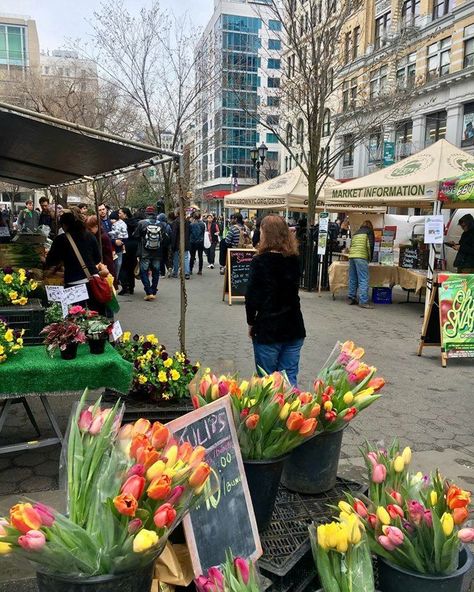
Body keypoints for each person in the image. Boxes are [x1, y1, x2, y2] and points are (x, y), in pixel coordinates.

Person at [245, 215, 306, 386]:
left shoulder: (259, 261)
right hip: (294, 326)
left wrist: (251, 322)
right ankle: (292, 412)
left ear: (265, 234)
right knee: (289, 377)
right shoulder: (294, 259)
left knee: (268, 381)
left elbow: (251, 296)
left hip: (268, 328)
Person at [45, 212, 105, 313]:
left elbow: (51, 261)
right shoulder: (90, 235)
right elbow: (97, 259)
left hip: (74, 284)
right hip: (93, 281)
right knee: (94, 316)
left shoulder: (61, 239)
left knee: (76, 317)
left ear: (64, 225)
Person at [134, 205, 168, 300]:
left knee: (144, 272)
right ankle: (153, 290)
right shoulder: (161, 224)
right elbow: (164, 238)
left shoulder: (142, 223)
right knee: (156, 272)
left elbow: (135, 235)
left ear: (146, 213)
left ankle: (148, 292)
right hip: (157, 252)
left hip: (145, 252)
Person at [347, 220, 375, 309]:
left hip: (352, 256)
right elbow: (370, 246)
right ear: (370, 226)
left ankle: (352, 298)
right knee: (363, 279)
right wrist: (370, 258)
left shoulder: (356, 233)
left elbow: (351, 246)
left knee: (353, 277)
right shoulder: (369, 232)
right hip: (361, 257)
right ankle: (363, 301)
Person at [85, 215, 116, 283]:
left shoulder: (102, 237)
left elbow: (105, 256)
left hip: (105, 265)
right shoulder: (95, 236)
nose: (89, 231)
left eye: (90, 229)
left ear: (96, 226)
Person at [118, 207, 139, 295]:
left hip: (125, 246)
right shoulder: (136, 223)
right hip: (134, 246)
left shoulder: (122, 224)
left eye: (120, 213)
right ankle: (131, 287)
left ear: (125, 214)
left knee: (123, 267)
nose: (118, 215)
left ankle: (124, 286)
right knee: (131, 267)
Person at [108, 211, 128, 283]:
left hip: (117, 248)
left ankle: (115, 280)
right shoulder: (121, 224)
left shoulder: (115, 225)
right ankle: (115, 280)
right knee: (117, 265)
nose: (111, 221)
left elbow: (115, 233)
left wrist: (109, 234)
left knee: (117, 265)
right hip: (117, 247)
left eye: (112, 219)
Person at [171, 213, 191, 279]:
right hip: (186, 242)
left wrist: (173, 245)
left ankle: (175, 272)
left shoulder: (175, 222)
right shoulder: (187, 222)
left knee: (176, 258)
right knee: (185, 257)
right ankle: (186, 273)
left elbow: (174, 235)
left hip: (177, 243)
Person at [157, 213, 172, 278]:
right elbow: (170, 234)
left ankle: (162, 273)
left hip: (160, 243)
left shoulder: (158, 225)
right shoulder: (168, 225)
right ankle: (169, 267)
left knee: (161, 259)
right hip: (167, 244)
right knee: (166, 257)